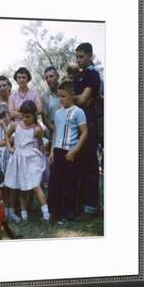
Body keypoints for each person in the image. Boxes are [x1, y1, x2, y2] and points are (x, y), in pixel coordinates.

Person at [48, 81, 88, 223]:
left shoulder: (78, 111)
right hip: (58, 151)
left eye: (63, 96)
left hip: (71, 152)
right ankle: (54, 212)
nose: (61, 99)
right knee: (55, 182)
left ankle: (68, 212)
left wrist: (75, 150)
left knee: (70, 183)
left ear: (71, 94)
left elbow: (84, 133)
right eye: (59, 96)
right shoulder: (58, 112)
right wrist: (52, 150)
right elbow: (56, 132)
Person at [4, 100, 50, 222]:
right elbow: (7, 137)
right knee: (20, 186)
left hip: (30, 159)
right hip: (18, 158)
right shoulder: (15, 125)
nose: (25, 119)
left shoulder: (37, 129)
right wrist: (9, 148)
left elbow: (40, 145)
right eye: (22, 116)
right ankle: (24, 216)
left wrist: (40, 158)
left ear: (34, 115)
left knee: (36, 185)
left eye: (28, 116)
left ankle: (46, 214)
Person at [72, 42, 102, 222]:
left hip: (89, 124)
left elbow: (83, 100)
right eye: (76, 57)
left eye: (81, 56)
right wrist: (75, 99)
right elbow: (79, 99)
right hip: (78, 124)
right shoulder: (79, 76)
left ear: (90, 55)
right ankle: (82, 204)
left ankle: (92, 207)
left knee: (90, 165)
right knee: (80, 165)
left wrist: (71, 98)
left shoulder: (93, 74)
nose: (78, 60)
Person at [0, 105, 19, 222]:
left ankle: (12, 211)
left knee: (11, 185)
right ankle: (5, 211)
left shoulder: (15, 126)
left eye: (5, 115)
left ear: (9, 115)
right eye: (1, 117)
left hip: (12, 158)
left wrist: (6, 131)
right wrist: (5, 140)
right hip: (1, 160)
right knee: (3, 185)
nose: (4, 118)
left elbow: (13, 140)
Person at [41, 66, 61, 138]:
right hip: (53, 134)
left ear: (58, 76)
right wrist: (56, 131)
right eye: (46, 78)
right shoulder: (44, 96)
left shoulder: (67, 91)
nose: (48, 79)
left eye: (51, 76)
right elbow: (45, 119)